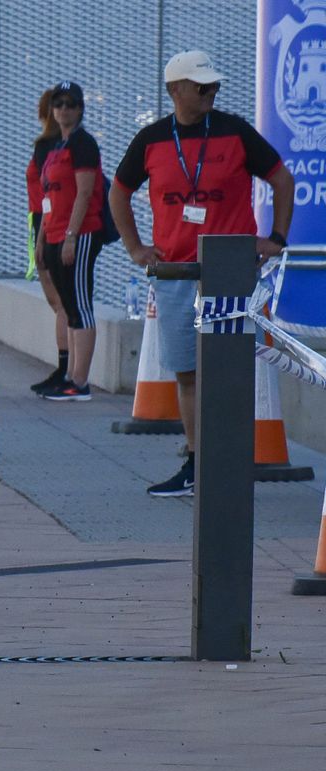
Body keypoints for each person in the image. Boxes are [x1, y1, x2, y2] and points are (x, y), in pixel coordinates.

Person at [111, 50, 293, 496]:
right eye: (202, 86)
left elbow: (282, 180)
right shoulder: (152, 139)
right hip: (175, 272)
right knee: (188, 373)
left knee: (228, 370)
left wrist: (277, 239)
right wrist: (136, 248)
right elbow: (117, 192)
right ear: (176, 90)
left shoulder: (234, 131)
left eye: (214, 85)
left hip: (230, 271)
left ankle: (226, 463)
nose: (212, 92)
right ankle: (196, 463)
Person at [34, 81, 107, 401]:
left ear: (80, 109)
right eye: (58, 103)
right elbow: (47, 198)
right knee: (68, 307)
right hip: (53, 232)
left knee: (80, 305)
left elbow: (85, 192)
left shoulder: (84, 143)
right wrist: (41, 239)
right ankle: (69, 376)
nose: (63, 109)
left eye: (70, 103)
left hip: (78, 233)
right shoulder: (56, 147)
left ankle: (79, 381)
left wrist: (71, 236)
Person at [26, 88, 72, 395]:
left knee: (61, 303)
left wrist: (42, 237)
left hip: (49, 224)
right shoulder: (62, 146)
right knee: (63, 303)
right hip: (47, 222)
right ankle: (66, 368)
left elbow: (46, 197)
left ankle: (65, 369)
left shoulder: (49, 147)